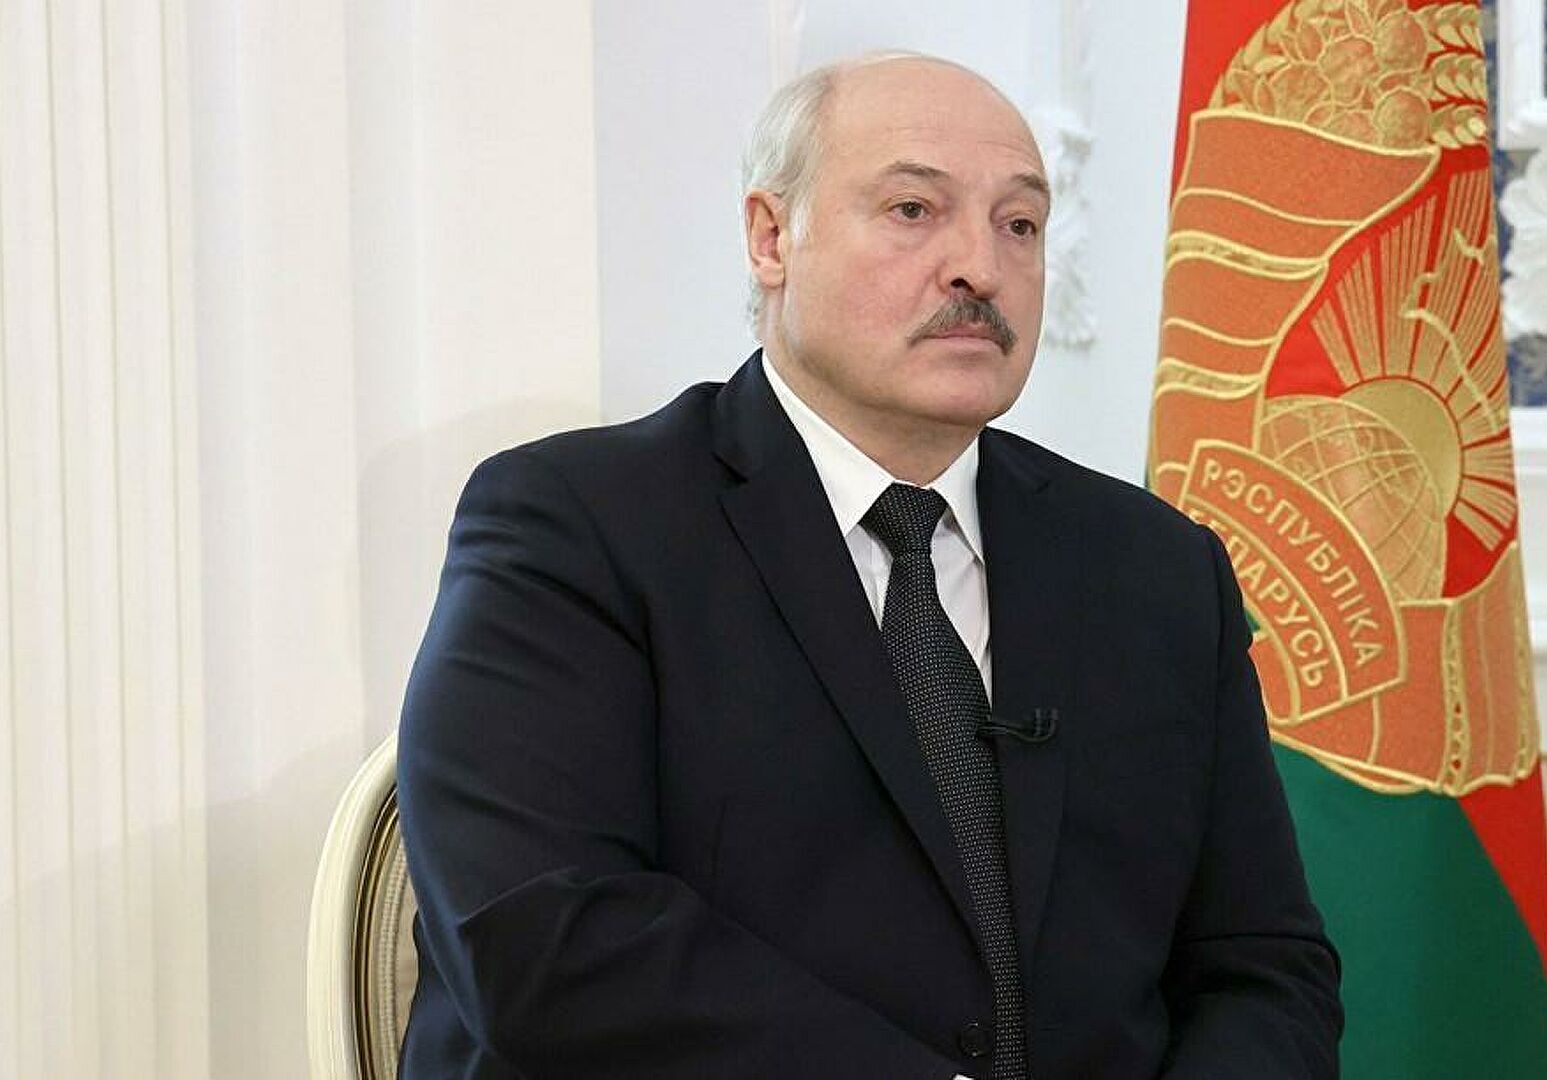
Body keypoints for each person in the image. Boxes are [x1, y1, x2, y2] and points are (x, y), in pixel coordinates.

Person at [397, 52, 1341, 1079]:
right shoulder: (575, 527)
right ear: (771, 237)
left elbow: (1262, 968)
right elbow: (542, 938)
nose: (979, 267)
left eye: (1020, 224)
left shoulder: (1157, 568)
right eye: (912, 210)